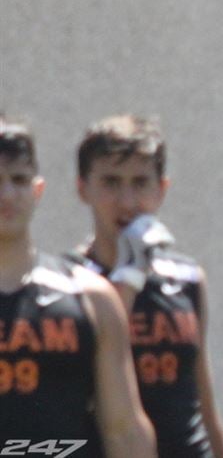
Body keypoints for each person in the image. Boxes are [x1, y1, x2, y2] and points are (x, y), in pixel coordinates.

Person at [69, 114, 223, 458]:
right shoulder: (67, 281)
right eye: (111, 182)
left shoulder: (186, 278)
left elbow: (204, 403)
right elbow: (87, 372)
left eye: (140, 182)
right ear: (83, 188)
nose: (127, 201)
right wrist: (129, 275)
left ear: (161, 189)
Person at [0, 115, 156, 458]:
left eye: (18, 179)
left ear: (37, 189)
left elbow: (125, 429)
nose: (7, 193)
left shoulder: (92, 298)